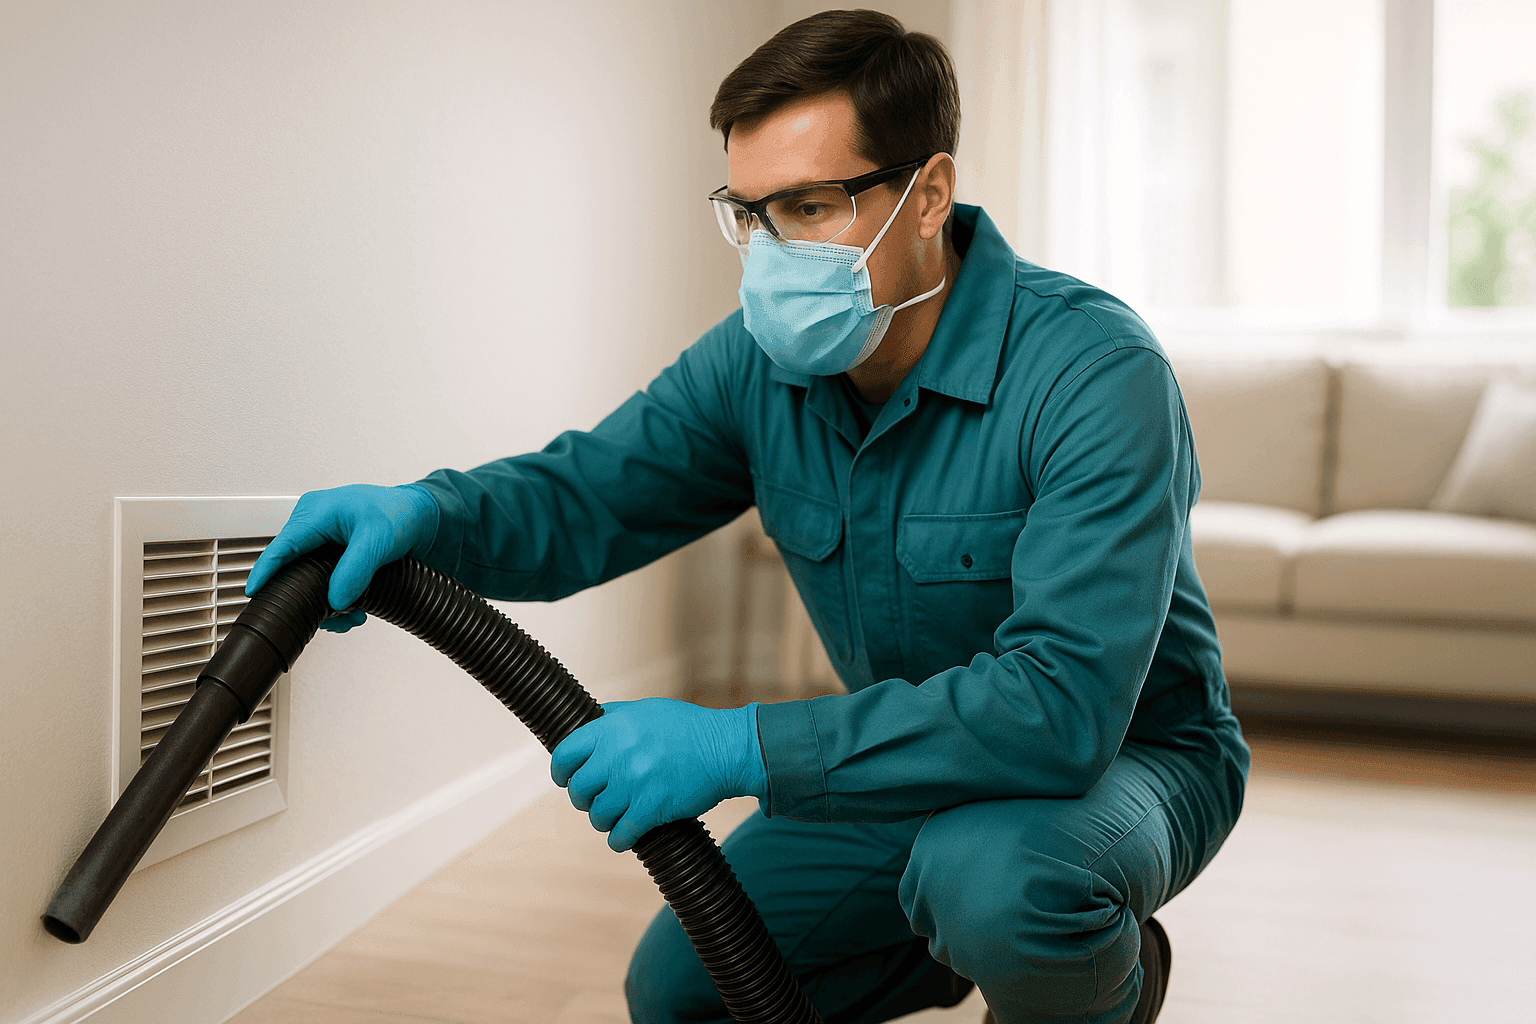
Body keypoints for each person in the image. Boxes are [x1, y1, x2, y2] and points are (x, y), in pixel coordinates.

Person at [247, 10, 1248, 1024]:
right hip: (912, 759)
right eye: (751, 215)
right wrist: (425, 512)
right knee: (685, 990)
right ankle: (1024, 946)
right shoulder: (759, 367)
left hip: (1127, 759)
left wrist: (740, 748)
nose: (774, 254)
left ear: (928, 195)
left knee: (1001, 883)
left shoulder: (1093, 373)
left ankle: (1085, 962)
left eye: (810, 207)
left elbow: (1061, 710)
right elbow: (588, 493)